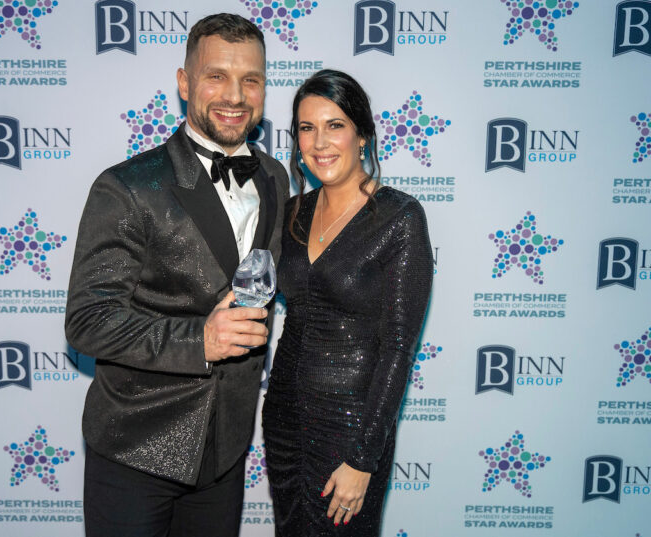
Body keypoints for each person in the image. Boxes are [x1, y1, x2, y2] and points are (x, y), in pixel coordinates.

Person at [64, 13, 289, 537]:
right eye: (216, 76)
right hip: (136, 448)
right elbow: (88, 321)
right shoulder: (128, 187)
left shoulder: (276, 178)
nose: (235, 95)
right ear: (184, 83)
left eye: (250, 79)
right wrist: (201, 340)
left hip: (226, 451)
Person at [262, 70, 433, 536]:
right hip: (283, 420)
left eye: (334, 125)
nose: (320, 141)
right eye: (306, 127)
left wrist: (363, 456)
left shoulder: (400, 218)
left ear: (362, 134)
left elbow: (398, 346)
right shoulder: (293, 214)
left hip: (352, 427)